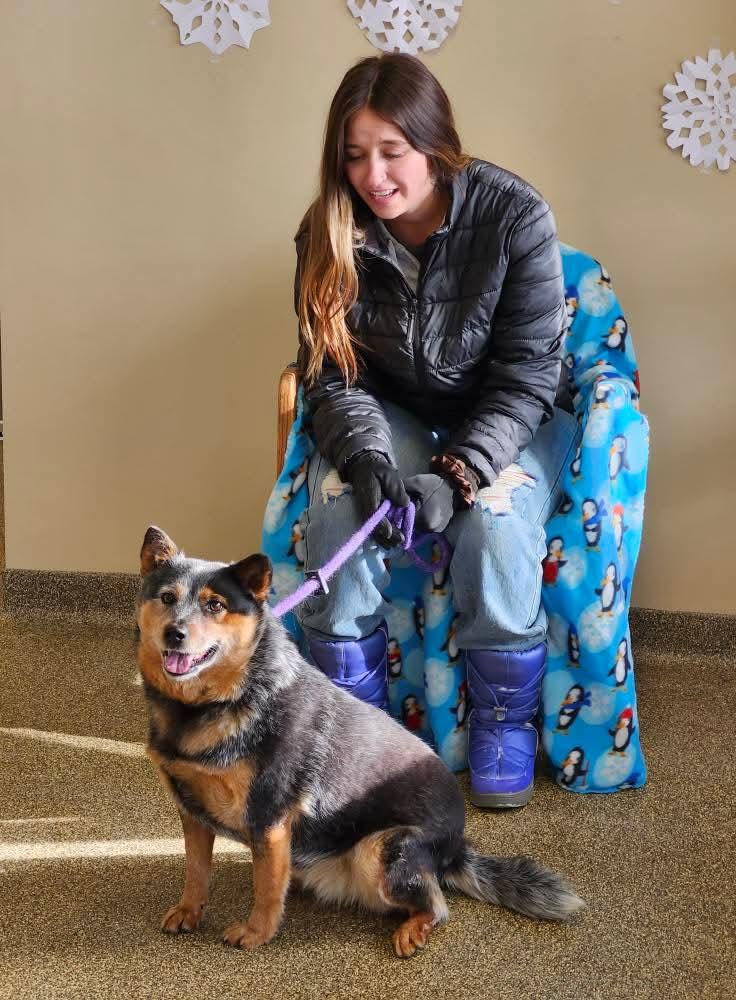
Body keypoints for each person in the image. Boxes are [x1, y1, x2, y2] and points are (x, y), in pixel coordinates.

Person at [292, 53, 580, 809]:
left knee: (496, 527)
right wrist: (363, 458)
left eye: (392, 151)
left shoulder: (516, 216)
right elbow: (331, 374)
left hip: (510, 417)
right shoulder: (327, 232)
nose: (373, 175)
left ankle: (504, 722)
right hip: (395, 415)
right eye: (354, 155)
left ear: (436, 143)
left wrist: (460, 474)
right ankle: (351, 732)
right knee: (340, 517)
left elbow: (526, 378)